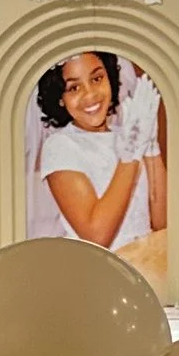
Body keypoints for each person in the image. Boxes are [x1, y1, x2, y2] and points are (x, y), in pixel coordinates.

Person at [31, 48, 166, 271]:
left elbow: (161, 224)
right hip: (101, 275)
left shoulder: (129, 132)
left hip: (148, 268)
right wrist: (131, 153)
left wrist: (151, 147)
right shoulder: (60, 146)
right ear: (61, 98)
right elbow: (97, 235)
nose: (90, 94)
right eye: (74, 87)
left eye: (97, 78)